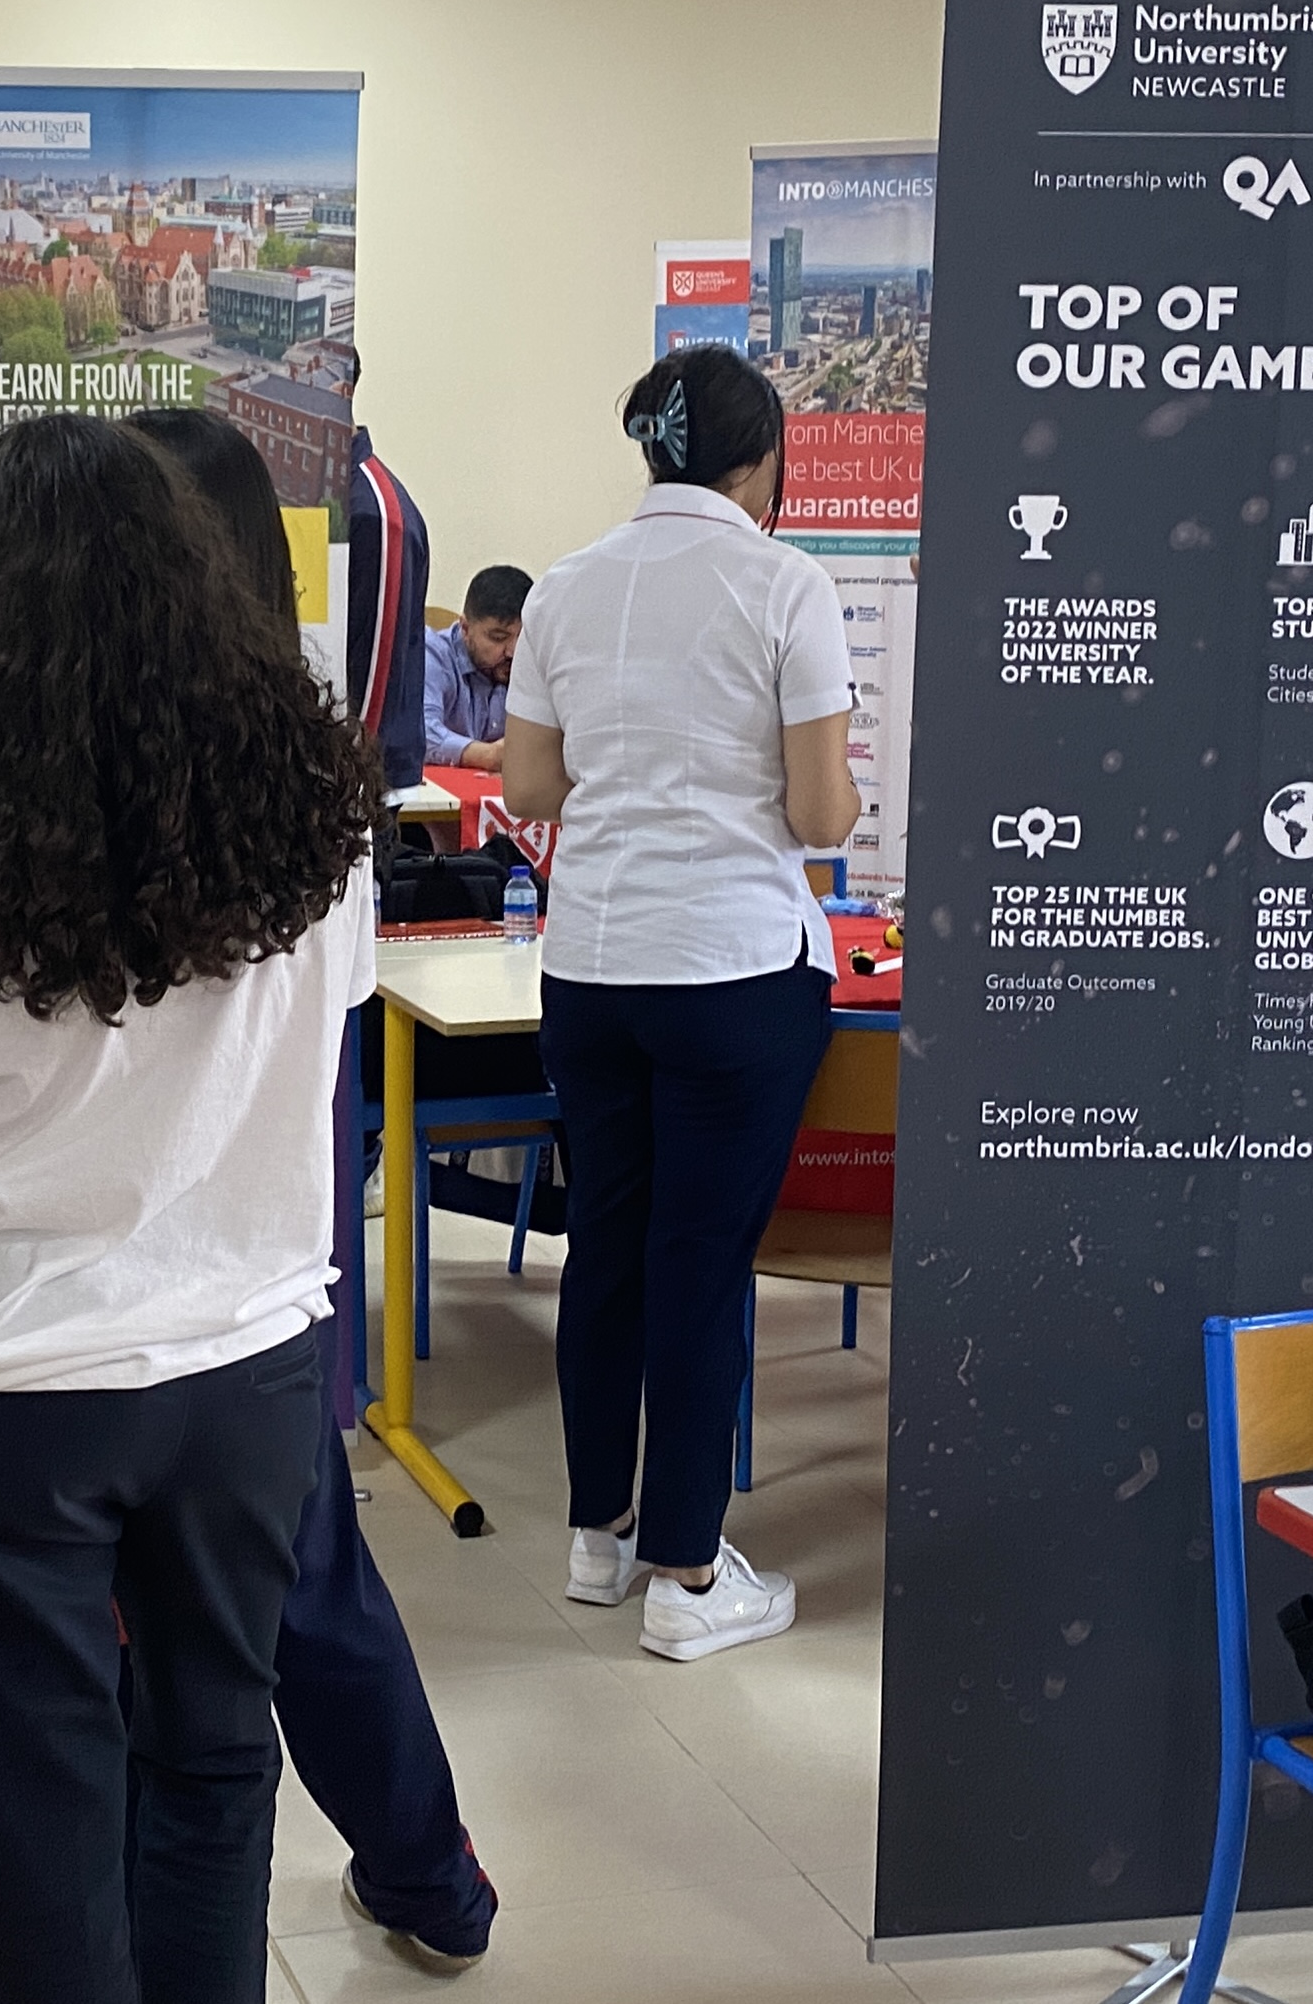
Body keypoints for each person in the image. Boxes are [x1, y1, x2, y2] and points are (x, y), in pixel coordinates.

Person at [0, 412, 376, 2004]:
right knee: (214, 1764)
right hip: (245, 1371)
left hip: (0, 1402)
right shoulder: (318, 825)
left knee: (37, 1802)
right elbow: (299, 1072)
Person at [133, 404, 500, 1973]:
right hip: (257, 1273)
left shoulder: (61, 779)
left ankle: (420, 1873)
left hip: (169, 1285)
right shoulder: (312, 781)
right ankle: (428, 1877)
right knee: (302, 1587)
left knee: (262, 1607)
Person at [498, 346, 852, 1663]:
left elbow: (529, 790)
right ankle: (690, 1577)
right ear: (762, 463)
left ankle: (599, 1538)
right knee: (700, 1267)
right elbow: (821, 815)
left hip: (592, 967)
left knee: (608, 1247)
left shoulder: (564, 588)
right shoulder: (786, 583)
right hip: (733, 969)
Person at [332, 344, 432, 811]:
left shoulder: (371, 512)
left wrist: (348, 787)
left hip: (356, 791)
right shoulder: (324, 492)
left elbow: (376, 668)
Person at [421, 566, 527, 774]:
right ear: (465, 628)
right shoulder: (431, 655)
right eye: (498, 638)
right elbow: (419, 731)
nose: (513, 651)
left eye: (523, 637)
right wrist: (486, 755)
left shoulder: (531, 659)